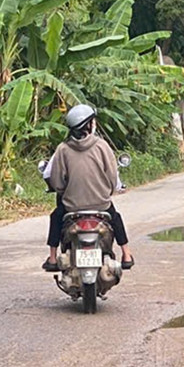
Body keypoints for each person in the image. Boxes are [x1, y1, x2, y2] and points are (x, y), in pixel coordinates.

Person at [41, 104, 134, 272]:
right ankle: (126, 255)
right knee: (116, 217)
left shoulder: (62, 149)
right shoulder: (102, 146)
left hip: (71, 207)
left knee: (56, 218)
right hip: (101, 205)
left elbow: (56, 181)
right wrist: (109, 190)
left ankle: (53, 258)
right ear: (90, 124)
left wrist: (64, 191)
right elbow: (113, 177)